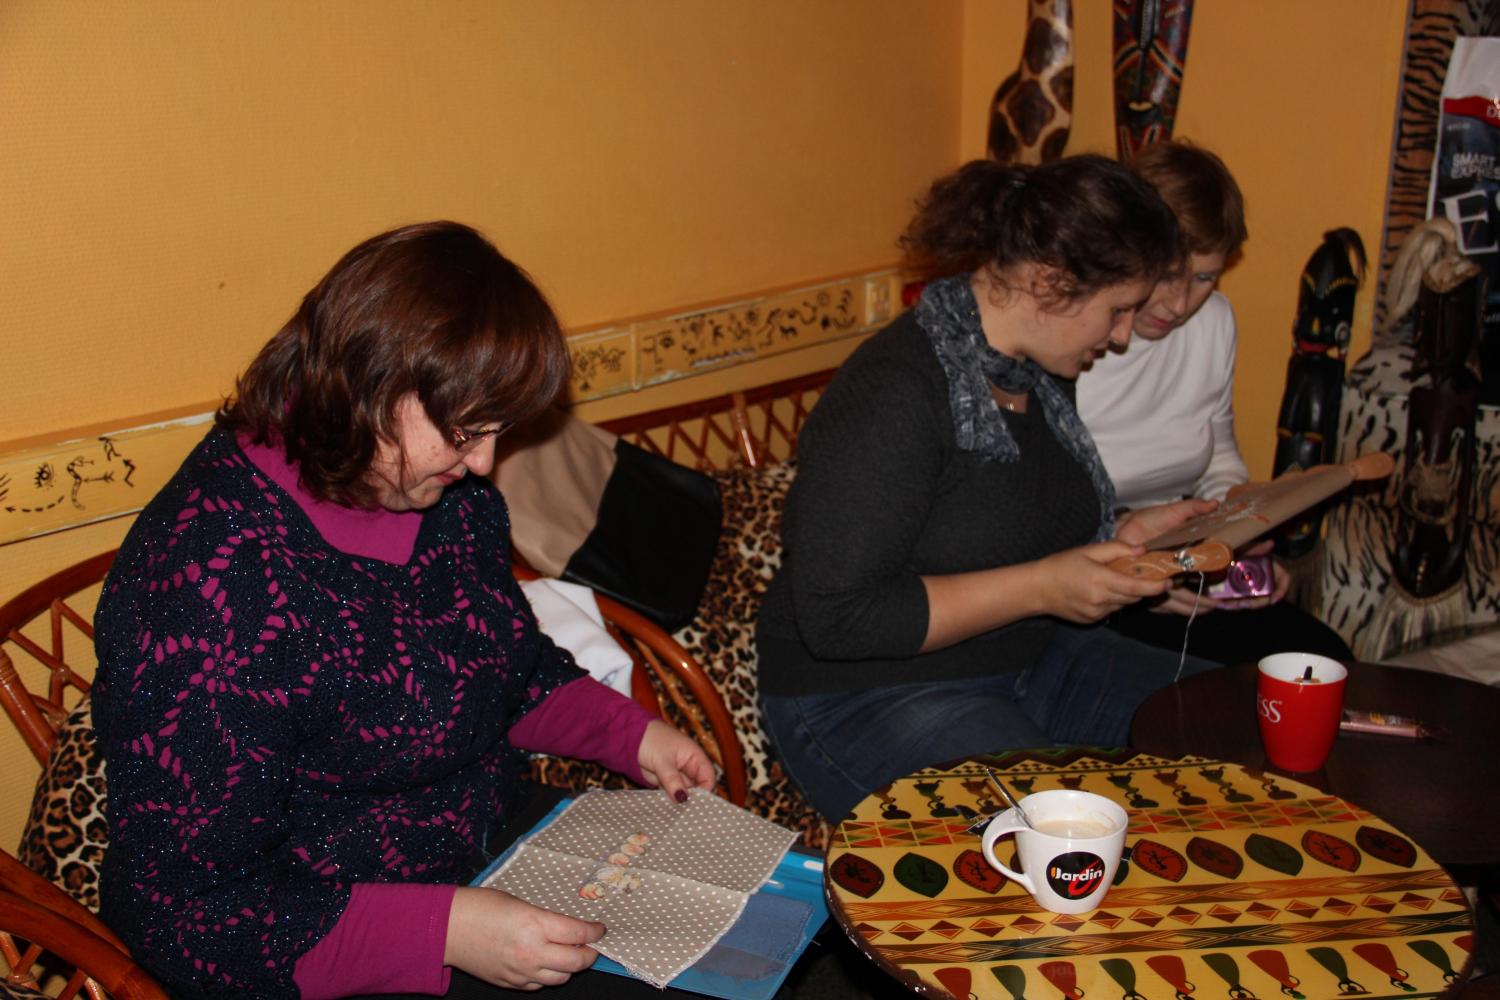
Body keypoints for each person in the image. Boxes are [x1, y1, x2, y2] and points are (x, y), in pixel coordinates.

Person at [90, 221, 717, 999]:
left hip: (492, 854)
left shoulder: (442, 496)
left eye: (496, 431)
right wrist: (442, 932)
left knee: (716, 954)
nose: (484, 463)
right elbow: (184, 917)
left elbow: (506, 669)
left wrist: (631, 735)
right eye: (466, 432)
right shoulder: (206, 582)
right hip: (326, 938)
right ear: (369, 386)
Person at [755, 156, 1222, 824]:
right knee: (1064, 834)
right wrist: (1041, 588)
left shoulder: (1036, 373)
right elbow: (840, 618)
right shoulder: (895, 391)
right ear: (1049, 281)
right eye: (1118, 311)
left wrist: (1126, 537)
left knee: (1231, 721)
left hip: (1028, 655)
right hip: (862, 692)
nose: (1122, 337)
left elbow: (997, 520)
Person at [1076, 141, 1353, 664]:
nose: (1180, 303)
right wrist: (1140, 567)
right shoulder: (1074, 334)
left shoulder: (1213, 322)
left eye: (1204, 277)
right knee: (1212, 682)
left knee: (1322, 657)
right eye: (1167, 275)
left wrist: (1236, 535)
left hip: (1178, 562)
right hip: (1084, 577)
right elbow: (1030, 510)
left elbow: (1217, 453)